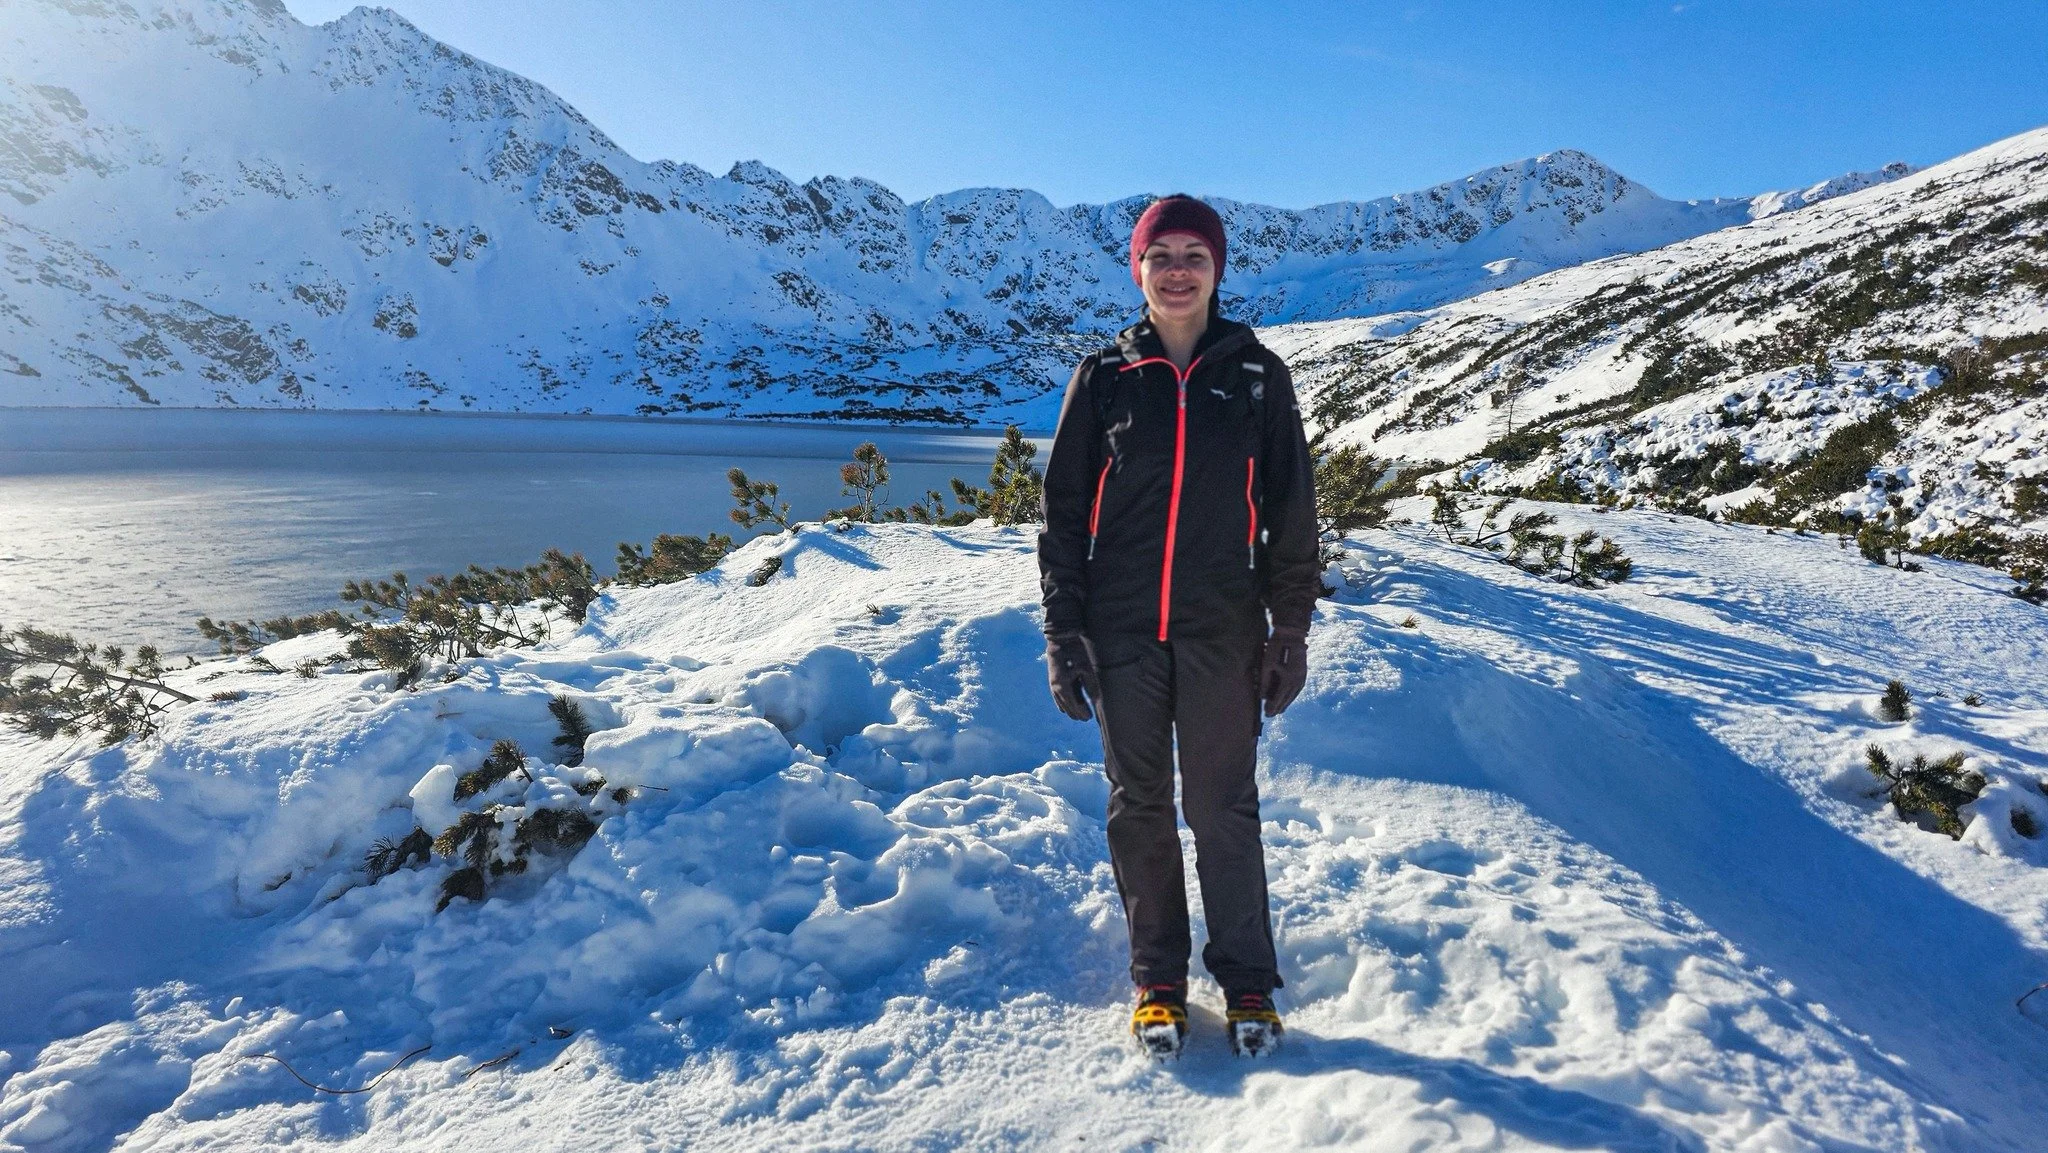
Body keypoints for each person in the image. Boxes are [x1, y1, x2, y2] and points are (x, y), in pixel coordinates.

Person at [1037, 194, 1319, 1058]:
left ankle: (1247, 984)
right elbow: (1063, 514)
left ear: (1218, 268)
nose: (1179, 270)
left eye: (1196, 254)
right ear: (1139, 270)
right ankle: (1157, 979)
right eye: (1162, 255)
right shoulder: (1106, 378)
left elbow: (1291, 511)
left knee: (1223, 807)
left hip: (1220, 629)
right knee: (1140, 804)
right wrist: (1063, 629)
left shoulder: (1259, 376)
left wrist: (1289, 628)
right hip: (1120, 633)